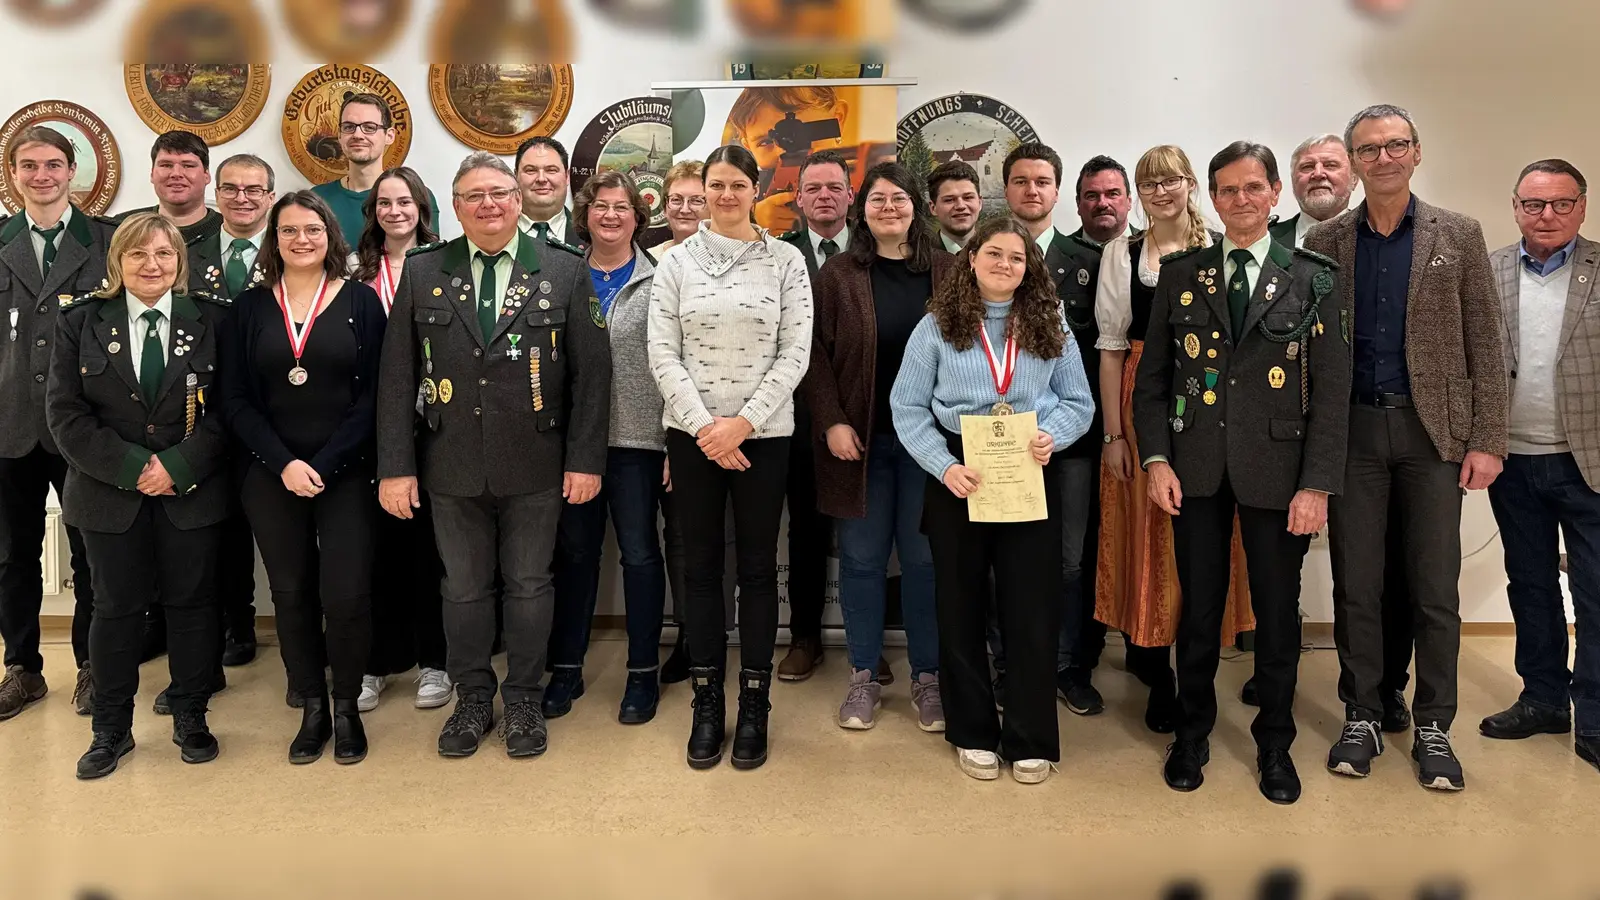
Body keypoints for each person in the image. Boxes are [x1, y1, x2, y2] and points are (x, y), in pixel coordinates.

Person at [1133, 142, 1350, 805]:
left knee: (1278, 619)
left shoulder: (1314, 275)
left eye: (1253, 188)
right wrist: (1155, 459)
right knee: (1196, 612)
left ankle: (1275, 745)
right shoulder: (1181, 274)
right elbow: (1152, 384)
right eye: (1227, 190)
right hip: (1193, 468)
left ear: (1275, 192)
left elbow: (1334, 393)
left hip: (1279, 474)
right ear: (1213, 197)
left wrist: (1316, 485)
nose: (1241, 200)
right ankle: (1192, 733)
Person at [377, 152, 610, 760]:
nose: (489, 204)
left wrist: (585, 461)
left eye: (500, 193)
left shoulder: (563, 270)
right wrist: (396, 466)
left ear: (518, 200)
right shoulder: (426, 269)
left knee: (531, 585)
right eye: (473, 195)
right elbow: (398, 377)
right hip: (449, 463)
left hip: (535, 460)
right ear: (454, 207)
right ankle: (474, 698)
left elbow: (592, 377)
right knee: (463, 590)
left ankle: (526, 699)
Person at [1307, 104, 1506, 792]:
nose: (1383, 158)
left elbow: (1486, 341)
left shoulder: (1458, 233)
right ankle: (1361, 713)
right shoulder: (1329, 241)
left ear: (1416, 152)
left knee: (1433, 587)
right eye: (1369, 149)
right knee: (1356, 584)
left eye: (1395, 146)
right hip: (1354, 432)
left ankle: (1433, 725)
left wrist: (1486, 439)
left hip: (1432, 437)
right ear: (1355, 161)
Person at [891, 215, 1094, 784]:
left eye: (1017, 257)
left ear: (1029, 267)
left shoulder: (1050, 321)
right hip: (961, 470)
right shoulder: (937, 325)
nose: (1006, 265)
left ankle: (1031, 736)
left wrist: (1052, 432)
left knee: (1032, 607)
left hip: (1028, 465)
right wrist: (944, 465)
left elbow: (1077, 401)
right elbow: (907, 408)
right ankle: (973, 730)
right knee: (959, 605)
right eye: (995, 254)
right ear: (971, 258)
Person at [47, 212, 233, 778]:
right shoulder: (80, 322)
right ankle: (111, 729)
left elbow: (229, 409)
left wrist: (176, 465)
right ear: (117, 262)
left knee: (193, 607)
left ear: (179, 261)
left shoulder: (212, 320)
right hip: (109, 497)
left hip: (191, 491)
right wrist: (135, 468)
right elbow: (65, 414)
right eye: (138, 255)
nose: (152, 265)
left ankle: (190, 716)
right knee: (115, 610)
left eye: (164, 254)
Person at [648, 144, 812, 770]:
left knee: (757, 570)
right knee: (698, 571)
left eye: (738, 184)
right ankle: (707, 702)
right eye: (715, 184)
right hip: (691, 439)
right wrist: (704, 428)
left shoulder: (786, 260)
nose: (725, 195)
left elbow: (794, 352)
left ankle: (755, 702)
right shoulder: (676, 261)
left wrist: (741, 424)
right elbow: (662, 351)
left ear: (756, 188)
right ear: (703, 190)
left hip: (763, 438)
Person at [1243, 134, 1414, 727]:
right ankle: (1283, 670)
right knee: (1302, 568)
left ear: (1354, 172)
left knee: (1386, 564)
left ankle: (1386, 685)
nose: (1319, 174)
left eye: (1331, 164)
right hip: (1301, 431)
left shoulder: (1396, 235)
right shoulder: (1283, 241)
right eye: (1306, 166)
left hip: (1390, 419)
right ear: (1288, 182)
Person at [220, 191, 387, 765]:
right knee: (290, 594)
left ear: (331, 236)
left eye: (312, 229)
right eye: (288, 230)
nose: (301, 240)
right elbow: (236, 399)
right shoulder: (248, 308)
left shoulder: (361, 303)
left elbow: (375, 399)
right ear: (274, 239)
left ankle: (346, 708)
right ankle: (312, 706)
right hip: (271, 473)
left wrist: (324, 463)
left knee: (346, 594)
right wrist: (285, 464)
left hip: (346, 472)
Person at [1094, 144, 1254, 734]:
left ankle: (1199, 671)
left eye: (1172, 180)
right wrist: (1114, 432)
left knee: (1204, 534)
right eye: (1150, 182)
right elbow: (1112, 351)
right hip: (1145, 398)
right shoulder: (1122, 253)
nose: (1162, 191)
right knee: (1147, 535)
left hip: (1213, 399)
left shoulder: (1220, 249)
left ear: (1191, 185)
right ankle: (1155, 669)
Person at [806, 162, 955, 732]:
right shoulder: (839, 275)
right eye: (876, 199)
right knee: (864, 563)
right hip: (859, 443)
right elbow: (814, 356)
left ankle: (928, 679)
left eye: (898, 198)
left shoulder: (949, 272)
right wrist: (832, 421)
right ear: (860, 209)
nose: (888, 207)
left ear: (917, 207)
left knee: (924, 563)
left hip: (932, 446)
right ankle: (863, 676)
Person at [1480, 159, 1600, 772]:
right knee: (1529, 586)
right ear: (1516, 206)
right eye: (1533, 204)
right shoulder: (1490, 269)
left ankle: (1596, 716)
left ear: (1581, 206)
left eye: (1559, 204)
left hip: (1591, 465)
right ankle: (1544, 699)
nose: (1546, 216)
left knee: (1596, 593)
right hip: (1514, 460)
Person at [544, 170, 672, 724]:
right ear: (585, 214)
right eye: (600, 206)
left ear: (638, 218)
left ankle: (642, 674)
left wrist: (674, 439)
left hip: (641, 441)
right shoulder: (561, 276)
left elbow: (679, 361)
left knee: (642, 555)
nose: (611, 215)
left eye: (622, 207)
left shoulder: (662, 277)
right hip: (575, 446)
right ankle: (566, 669)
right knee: (574, 556)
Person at [0, 125, 113, 722]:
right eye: (28, 166)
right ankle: (22, 668)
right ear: (12, 174)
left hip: (83, 427)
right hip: (11, 426)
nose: (40, 175)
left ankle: (92, 667)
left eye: (52, 164)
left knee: (90, 554)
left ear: (73, 172)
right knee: (12, 554)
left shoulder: (108, 243)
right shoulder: (0, 241)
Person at [992, 142, 1107, 714]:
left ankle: (1066, 663)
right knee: (999, 556)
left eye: (1042, 181)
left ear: (1057, 192)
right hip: (995, 445)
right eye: (1020, 180)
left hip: (1069, 441)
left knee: (1067, 559)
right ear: (1006, 189)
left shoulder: (1090, 262)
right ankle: (1004, 661)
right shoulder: (980, 259)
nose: (1031, 190)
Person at [349, 166, 451, 713]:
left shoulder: (445, 264)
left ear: (422, 208)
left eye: (405, 201)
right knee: (371, 553)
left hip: (434, 426)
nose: (395, 211)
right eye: (384, 202)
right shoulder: (349, 271)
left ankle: (435, 662)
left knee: (430, 554)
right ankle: (372, 664)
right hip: (367, 428)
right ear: (373, 212)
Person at [181, 153, 276, 678]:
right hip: (204, 410)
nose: (242, 198)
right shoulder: (185, 252)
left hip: (275, 410)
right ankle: (233, 624)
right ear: (216, 193)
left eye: (254, 189)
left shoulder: (292, 247)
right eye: (232, 188)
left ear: (269, 196)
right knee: (217, 528)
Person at [774, 149, 851, 684]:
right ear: (798, 199)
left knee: (863, 536)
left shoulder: (875, 254)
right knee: (804, 531)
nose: (824, 195)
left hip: (860, 418)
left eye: (834, 187)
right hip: (794, 420)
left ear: (851, 196)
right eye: (814, 188)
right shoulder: (776, 255)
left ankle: (866, 641)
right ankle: (805, 638)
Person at [311, 93, 441, 247]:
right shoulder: (317, 198)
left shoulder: (416, 196)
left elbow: (428, 261)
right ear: (339, 135)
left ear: (389, 135)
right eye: (349, 127)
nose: (358, 135)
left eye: (369, 128)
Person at [722, 86, 852, 234]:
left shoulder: (859, 175)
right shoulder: (747, 190)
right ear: (748, 147)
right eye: (765, 142)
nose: (782, 150)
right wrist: (753, 221)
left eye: (798, 135)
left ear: (838, 119)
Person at [118, 130, 222, 243]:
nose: (176, 173)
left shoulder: (230, 231)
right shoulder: (121, 228)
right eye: (166, 165)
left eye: (188, 165)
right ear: (152, 174)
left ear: (206, 175)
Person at [515, 136, 582, 247]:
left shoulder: (591, 235)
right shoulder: (496, 231)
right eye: (531, 170)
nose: (541, 179)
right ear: (515, 176)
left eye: (551, 170)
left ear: (567, 176)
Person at [1072, 155, 1137, 246]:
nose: (1102, 204)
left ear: (1129, 200)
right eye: (1092, 196)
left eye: (1113, 194)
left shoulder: (1153, 247)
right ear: (1078, 204)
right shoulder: (1055, 254)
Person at [649, 159, 707, 259]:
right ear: (665, 207)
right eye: (676, 199)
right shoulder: (648, 260)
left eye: (696, 200)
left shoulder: (732, 260)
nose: (685, 210)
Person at [927, 160, 981, 253]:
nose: (960, 206)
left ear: (980, 203)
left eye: (968, 197)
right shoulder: (917, 260)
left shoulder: (999, 256)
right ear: (933, 208)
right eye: (949, 200)